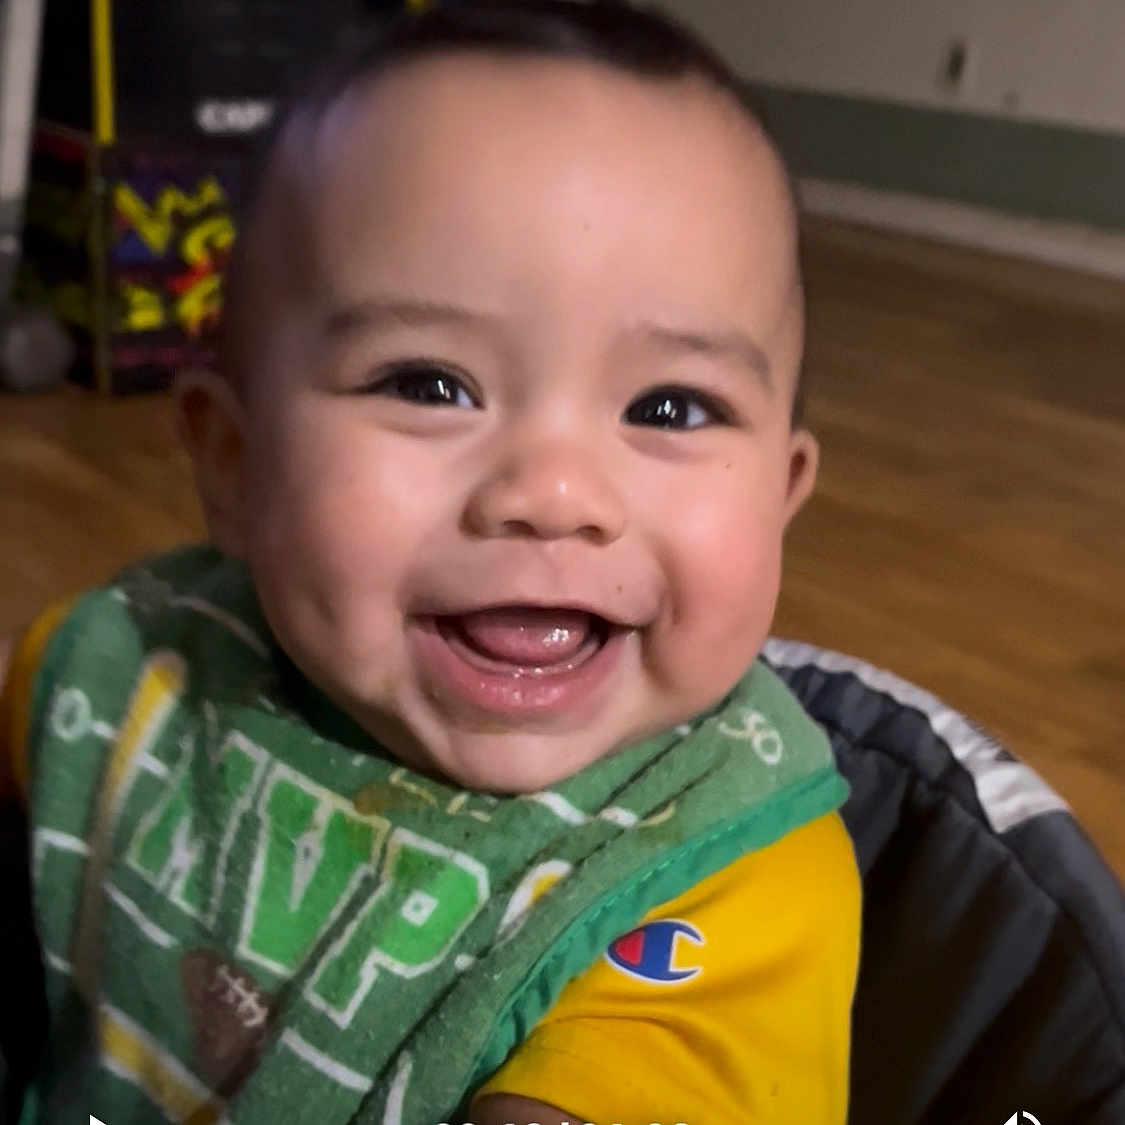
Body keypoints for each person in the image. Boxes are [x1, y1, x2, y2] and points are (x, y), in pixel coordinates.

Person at [0, 3, 860, 1122]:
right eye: (427, 384)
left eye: (670, 405)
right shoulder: (135, 668)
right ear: (233, 462)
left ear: (783, 497)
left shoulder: (728, 871)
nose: (554, 496)